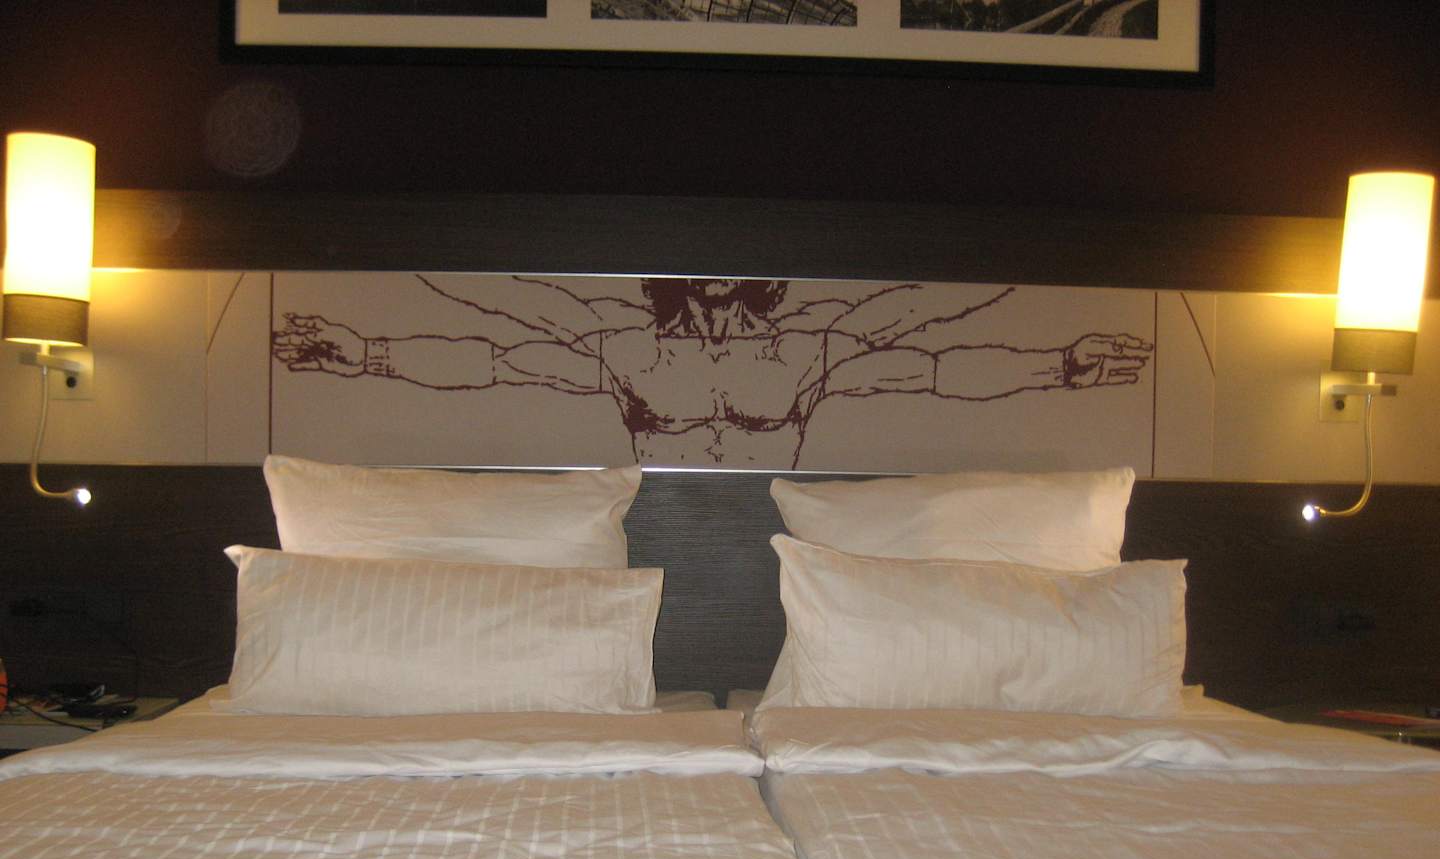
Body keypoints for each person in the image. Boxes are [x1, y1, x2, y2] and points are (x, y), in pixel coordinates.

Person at [273, 276, 1151, 466]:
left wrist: (1059, 367)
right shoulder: (628, 351)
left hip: (775, 549)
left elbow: (931, 367)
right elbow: (502, 359)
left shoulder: (808, 352)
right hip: (656, 547)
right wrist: (367, 355)